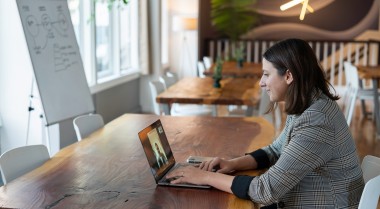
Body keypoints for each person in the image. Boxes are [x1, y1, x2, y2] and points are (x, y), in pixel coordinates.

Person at [167, 38, 364, 208]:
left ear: (288, 76)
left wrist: (205, 178)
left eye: (267, 74)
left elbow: (266, 190)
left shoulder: (317, 120)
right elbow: (275, 150)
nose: (261, 82)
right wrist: (232, 163)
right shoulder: (309, 103)